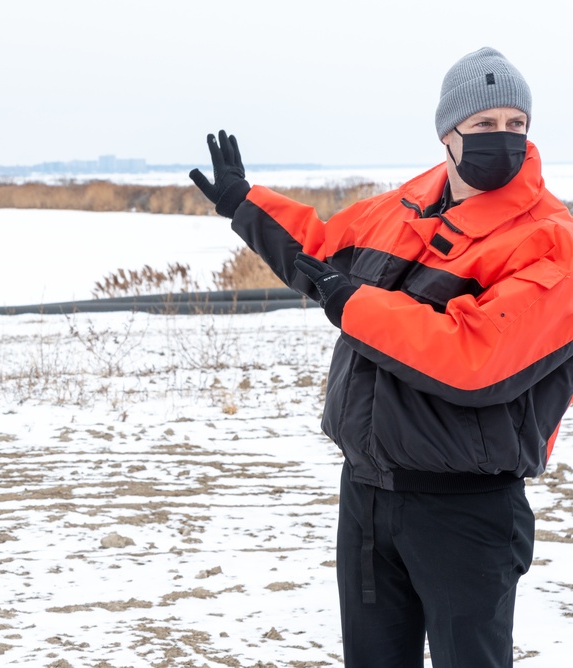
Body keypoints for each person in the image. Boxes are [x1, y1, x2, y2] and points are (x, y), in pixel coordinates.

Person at [190, 46, 573, 667]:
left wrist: (353, 304)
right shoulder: (409, 205)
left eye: (516, 125)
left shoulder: (551, 239)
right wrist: (244, 203)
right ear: (448, 134)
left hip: (466, 507)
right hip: (368, 492)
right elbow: (320, 250)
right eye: (483, 125)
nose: (501, 139)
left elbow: (476, 357)